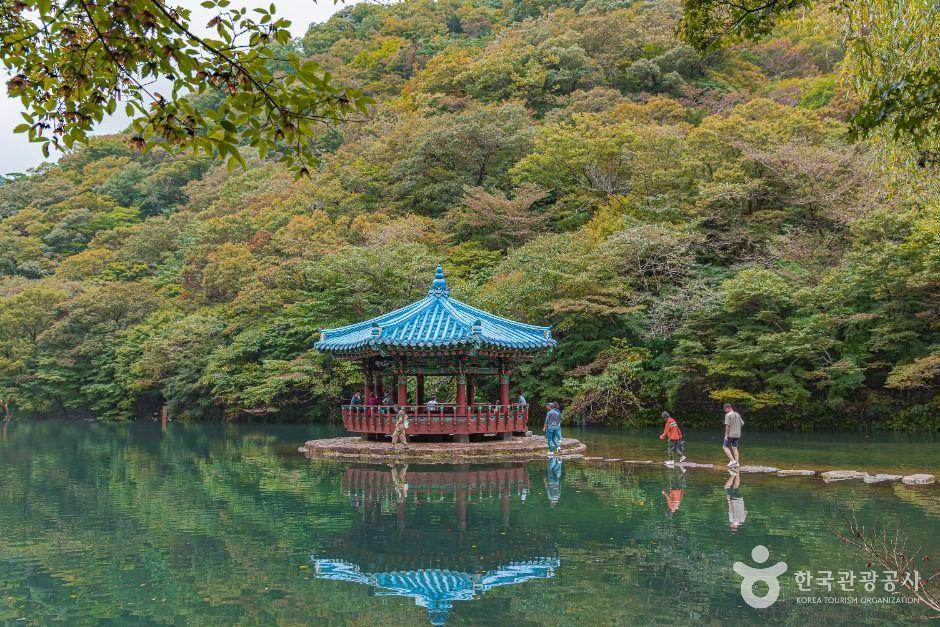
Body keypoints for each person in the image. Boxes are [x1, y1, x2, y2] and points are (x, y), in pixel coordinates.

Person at [722, 403, 744, 468]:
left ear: (728, 408)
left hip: (730, 434)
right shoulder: (737, 414)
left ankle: (732, 461)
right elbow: (742, 423)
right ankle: (737, 463)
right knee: (735, 448)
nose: (725, 411)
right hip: (737, 435)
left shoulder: (728, 415)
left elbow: (727, 425)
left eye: (725, 409)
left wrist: (726, 435)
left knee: (725, 447)